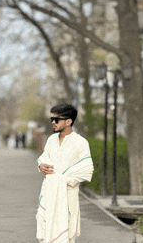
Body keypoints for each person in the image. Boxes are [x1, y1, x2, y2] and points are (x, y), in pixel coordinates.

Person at [36, 103, 94, 243]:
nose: (53, 123)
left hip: (67, 195)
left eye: (56, 120)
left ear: (68, 121)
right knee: (44, 227)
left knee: (66, 235)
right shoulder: (51, 140)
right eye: (52, 119)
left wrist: (62, 179)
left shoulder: (81, 143)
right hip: (48, 193)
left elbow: (86, 168)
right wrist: (41, 166)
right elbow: (44, 159)